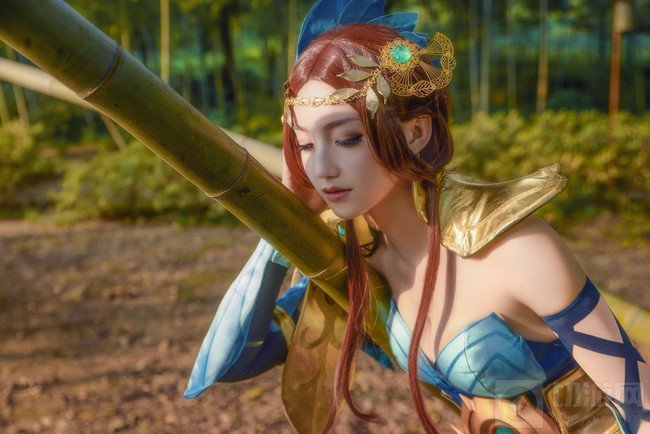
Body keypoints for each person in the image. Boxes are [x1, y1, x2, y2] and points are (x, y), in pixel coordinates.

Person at [185, 1, 650, 432]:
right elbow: (233, 363)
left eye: (346, 139)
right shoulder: (351, 257)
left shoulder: (514, 249)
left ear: (415, 133)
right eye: (305, 145)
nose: (321, 167)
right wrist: (282, 225)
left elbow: (639, 401)